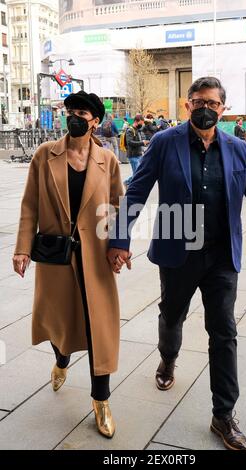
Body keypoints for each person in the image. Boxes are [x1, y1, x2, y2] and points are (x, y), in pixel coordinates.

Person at [107, 77, 246, 450]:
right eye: (198, 102)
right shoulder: (164, 142)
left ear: (223, 109)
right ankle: (168, 358)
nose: (206, 108)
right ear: (187, 105)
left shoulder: (237, 148)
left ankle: (223, 415)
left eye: (213, 104)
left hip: (221, 256)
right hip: (178, 252)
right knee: (172, 316)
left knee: (224, 332)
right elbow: (136, 189)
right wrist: (120, 240)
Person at [13, 90, 124, 439]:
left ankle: (101, 400)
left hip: (95, 255)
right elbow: (30, 202)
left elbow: (119, 207)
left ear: (95, 121)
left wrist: (119, 247)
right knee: (60, 321)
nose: (73, 117)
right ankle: (61, 358)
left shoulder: (108, 160)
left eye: (81, 113)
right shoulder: (46, 155)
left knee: (98, 328)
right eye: (69, 111)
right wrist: (22, 248)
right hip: (55, 255)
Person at [123, 114, 149, 189]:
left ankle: (129, 183)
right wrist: (142, 142)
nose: (142, 124)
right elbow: (130, 142)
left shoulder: (137, 130)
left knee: (139, 173)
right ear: (136, 122)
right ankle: (127, 183)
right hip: (133, 155)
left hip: (139, 154)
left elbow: (138, 141)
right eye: (141, 123)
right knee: (137, 174)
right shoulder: (130, 130)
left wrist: (143, 144)